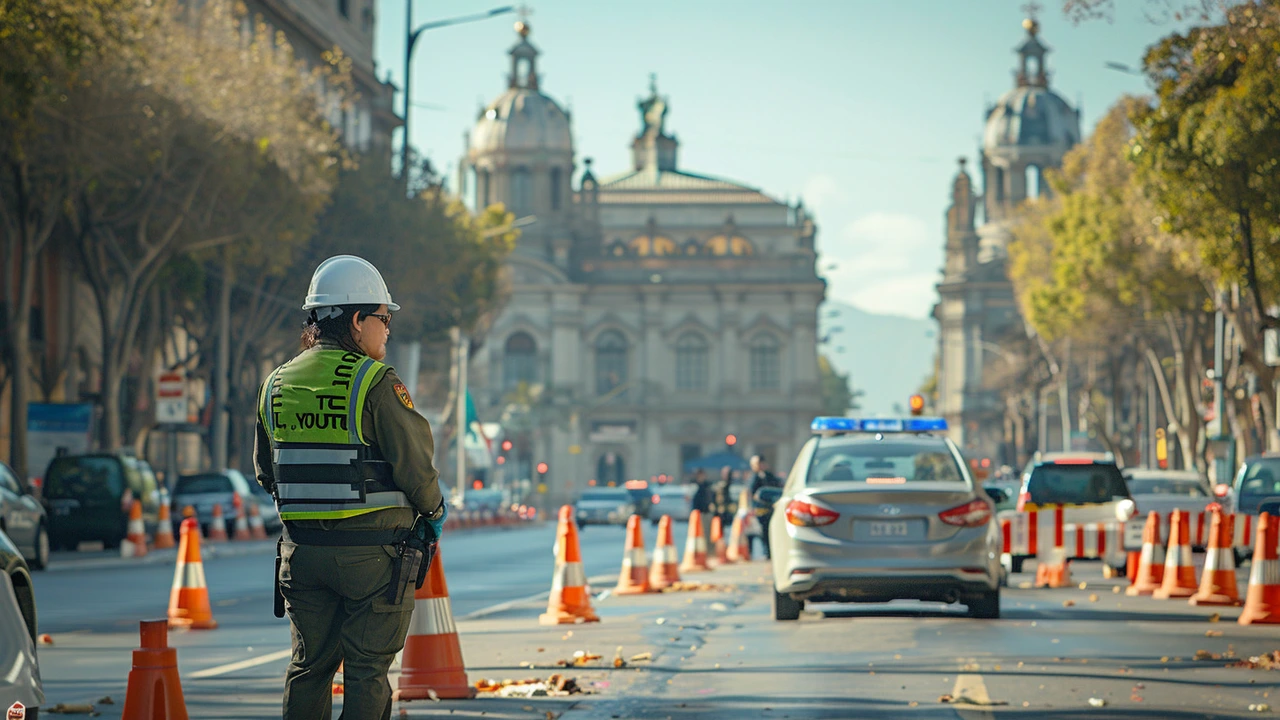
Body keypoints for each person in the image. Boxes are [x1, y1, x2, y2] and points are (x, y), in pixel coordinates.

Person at [254, 255, 447, 720]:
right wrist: (435, 513)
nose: (388, 329)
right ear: (357, 320)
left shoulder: (274, 384)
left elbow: (267, 472)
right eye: (383, 318)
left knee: (308, 668)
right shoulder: (375, 382)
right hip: (372, 560)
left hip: (301, 556)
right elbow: (417, 470)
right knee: (365, 672)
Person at [747, 453, 783, 559]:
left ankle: (771, 552)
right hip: (759, 511)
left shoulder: (770, 476)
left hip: (771, 509)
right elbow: (751, 493)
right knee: (762, 533)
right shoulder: (753, 478)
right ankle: (766, 552)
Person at [712, 465, 735, 530]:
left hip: (734, 515)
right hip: (722, 515)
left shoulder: (735, 486)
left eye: (728, 473)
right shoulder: (720, 486)